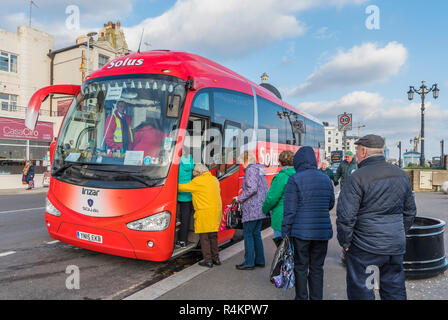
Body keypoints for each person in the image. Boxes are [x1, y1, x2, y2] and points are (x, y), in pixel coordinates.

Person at [336, 134, 417, 300]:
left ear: (364, 151)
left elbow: (346, 217)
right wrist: (398, 231)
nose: (356, 154)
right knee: (394, 289)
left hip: (365, 247)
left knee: (363, 289)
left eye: (357, 150)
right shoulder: (401, 175)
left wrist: (345, 242)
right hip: (394, 245)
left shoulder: (356, 178)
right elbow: (410, 211)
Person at [282, 146, 335, 300]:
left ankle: (301, 297)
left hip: (301, 233)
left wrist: (285, 233)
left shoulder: (295, 179)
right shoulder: (325, 178)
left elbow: (290, 211)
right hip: (321, 233)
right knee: (317, 267)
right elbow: (330, 203)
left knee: (301, 267)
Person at [178, 164, 222, 268]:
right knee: (213, 236)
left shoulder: (198, 181)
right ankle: (216, 259)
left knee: (204, 238)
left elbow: (182, 188)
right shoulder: (214, 179)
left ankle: (208, 261)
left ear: (197, 173)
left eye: (194, 175)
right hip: (216, 211)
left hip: (204, 213)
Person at [234, 151, 268, 270]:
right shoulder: (260, 169)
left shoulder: (250, 170)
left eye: (241, 162)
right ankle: (260, 260)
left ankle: (249, 262)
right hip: (260, 208)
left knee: (248, 234)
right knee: (256, 234)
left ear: (246, 160)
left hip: (252, 208)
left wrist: (239, 198)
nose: (241, 165)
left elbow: (252, 189)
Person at [262, 150, 295, 247]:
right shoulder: (298, 175)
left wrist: (264, 209)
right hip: (295, 217)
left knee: (283, 250)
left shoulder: (280, 177)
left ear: (279, 162)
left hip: (281, 218)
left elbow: (271, 198)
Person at [176, 146, 195, 248]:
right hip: (188, 192)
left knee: (172, 212)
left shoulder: (177, 160)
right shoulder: (191, 158)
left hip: (177, 190)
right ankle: (183, 241)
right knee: (185, 218)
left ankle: (175, 221)